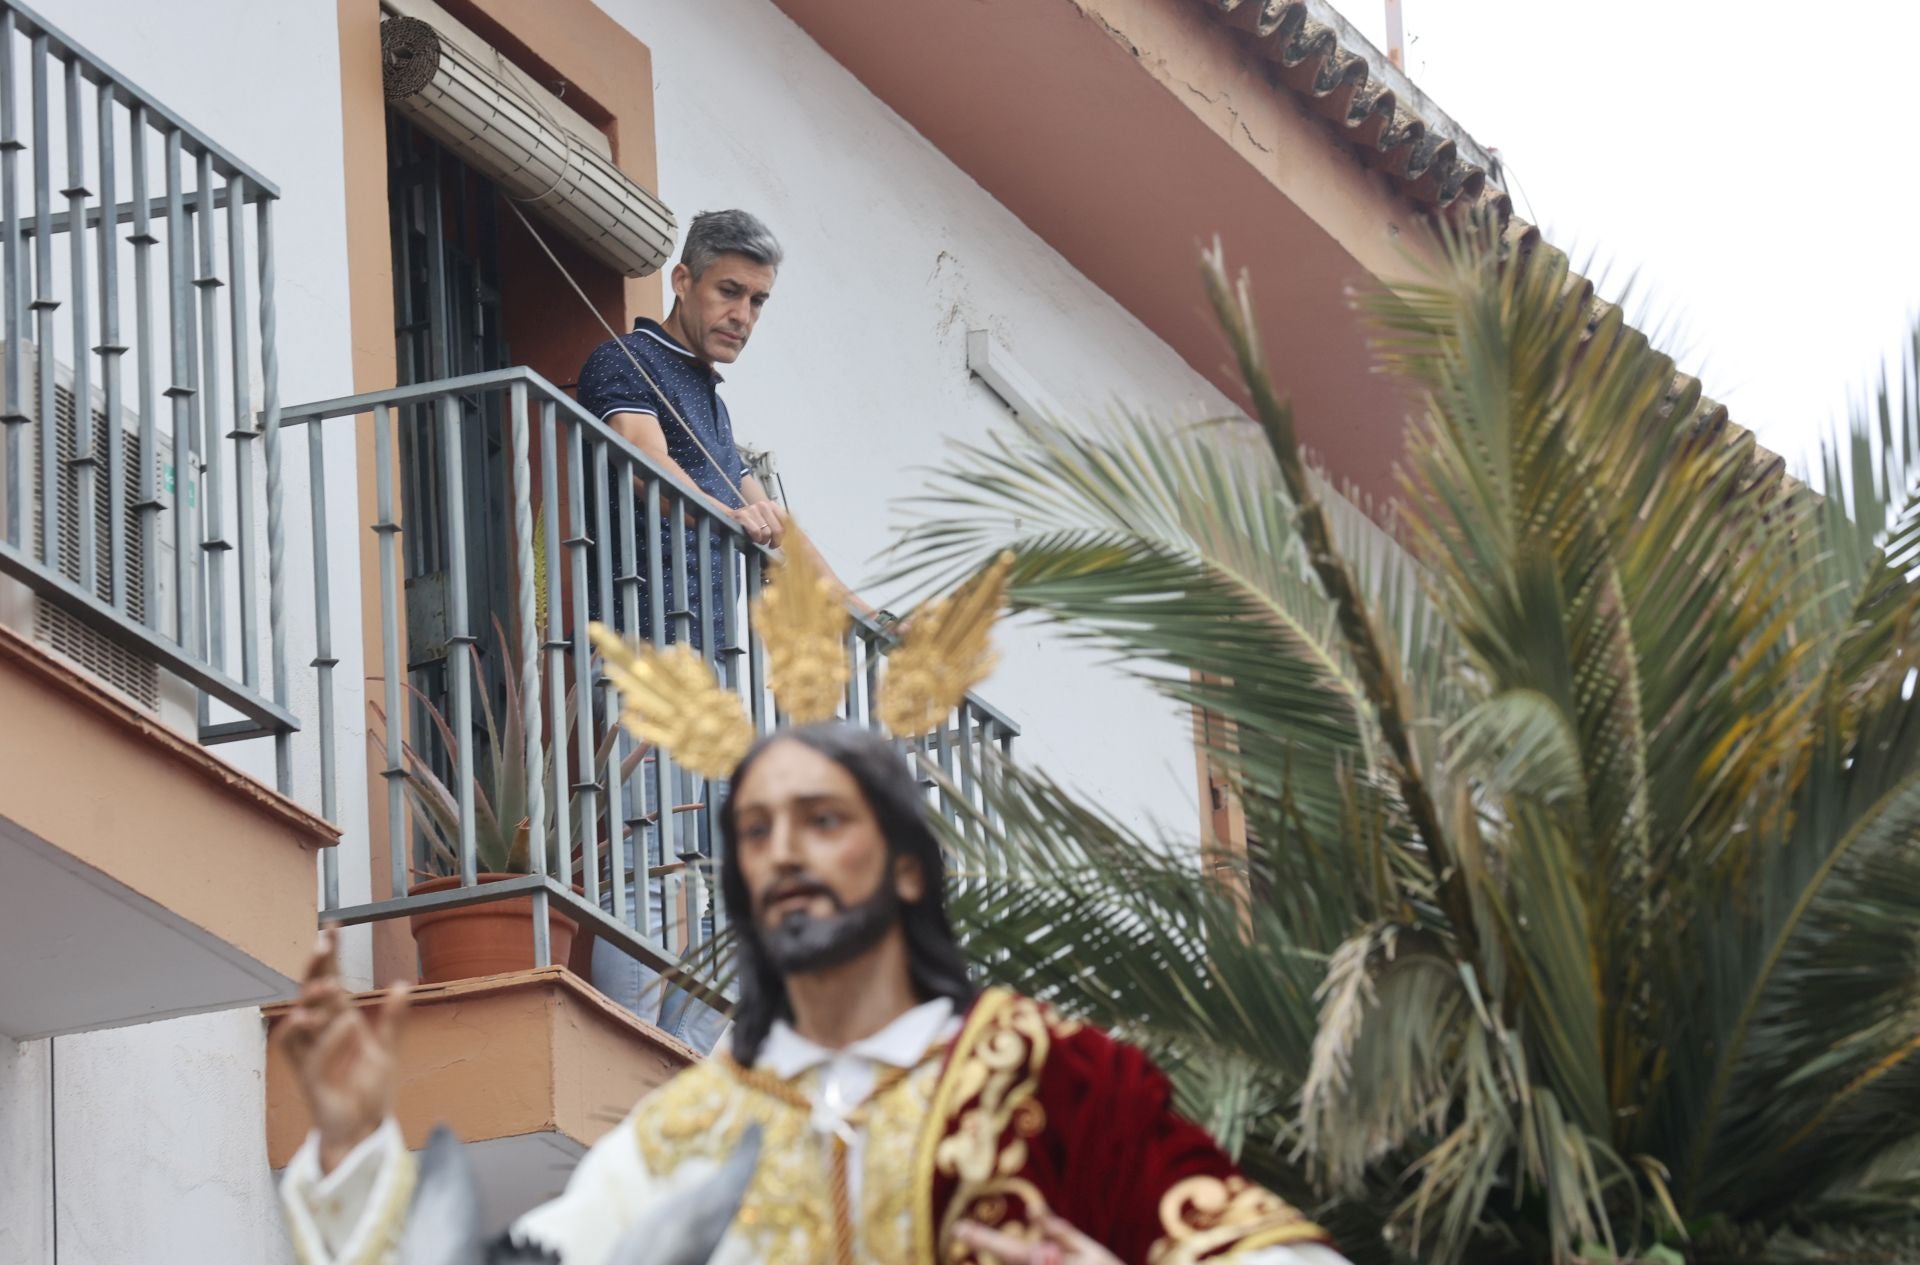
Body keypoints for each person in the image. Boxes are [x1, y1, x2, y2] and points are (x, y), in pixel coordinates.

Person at [277, 722, 1352, 1265]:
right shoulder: (688, 1133)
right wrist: (355, 1142)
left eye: (824, 820)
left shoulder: (1049, 1080)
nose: (784, 850)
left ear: (909, 866)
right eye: (755, 830)